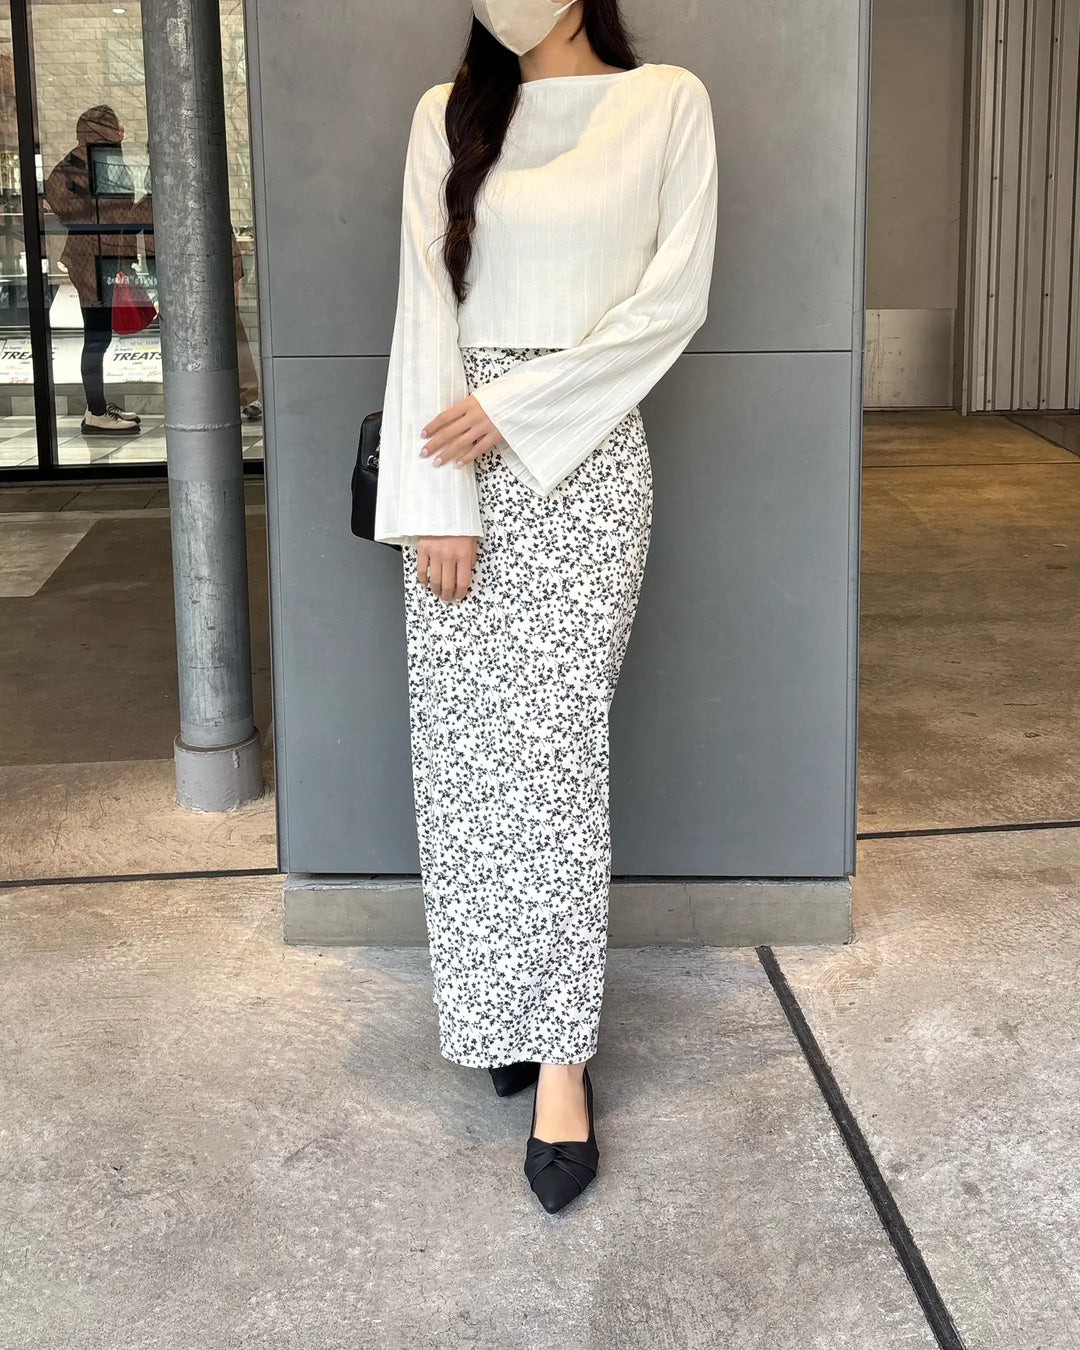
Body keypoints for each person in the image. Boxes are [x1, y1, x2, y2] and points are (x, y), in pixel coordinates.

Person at [373, 0, 717, 1214]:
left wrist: (515, 411)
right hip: (453, 462)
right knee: (469, 766)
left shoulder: (665, 102)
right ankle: (502, 1016)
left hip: (584, 462)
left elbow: (672, 302)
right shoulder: (448, 113)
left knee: (555, 766)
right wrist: (439, 502)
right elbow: (425, 302)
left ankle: (563, 1057)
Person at [44, 105, 152, 436]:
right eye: (115, 126)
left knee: (98, 336)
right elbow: (90, 214)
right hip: (92, 261)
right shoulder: (76, 169)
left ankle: (99, 406)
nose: (122, 131)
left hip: (104, 258)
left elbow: (115, 214)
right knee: (96, 337)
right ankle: (95, 411)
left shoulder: (101, 162)